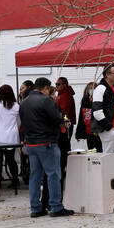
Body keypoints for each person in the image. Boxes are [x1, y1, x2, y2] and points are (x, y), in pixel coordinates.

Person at [20, 78, 73, 218]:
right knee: (53, 175)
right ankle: (56, 206)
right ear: (44, 88)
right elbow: (58, 119)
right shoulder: (46, 101)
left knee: (35, 177)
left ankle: (35, 208)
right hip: (46, 143)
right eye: (49, 88)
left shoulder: (24, 102)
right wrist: (65, 121)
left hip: (31, 143)